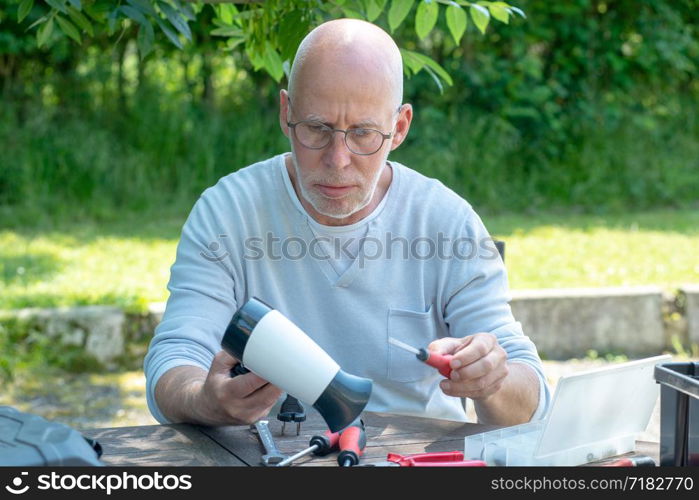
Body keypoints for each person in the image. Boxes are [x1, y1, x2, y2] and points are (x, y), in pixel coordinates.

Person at [144, 18, 551, 427]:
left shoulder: (447, 222)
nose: (337, 159)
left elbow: (532, 399)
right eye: (316, 129)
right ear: (287, 112)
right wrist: (204, 399)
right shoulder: (228, 212)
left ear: (399, 128)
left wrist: (491, 379)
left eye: (363, 134)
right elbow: (175, 359)